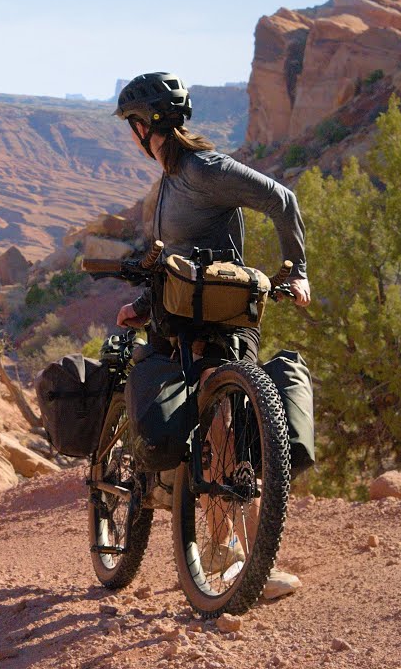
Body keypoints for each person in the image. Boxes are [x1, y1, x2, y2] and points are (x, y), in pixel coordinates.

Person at [113, 72, 310, 601]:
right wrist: (141, 304)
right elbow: (169, 262)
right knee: (175, 404)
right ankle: (166, 482)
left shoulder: (205, 169)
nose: (131, 133)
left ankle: (231, 556)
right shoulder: (169, 182)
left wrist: (297, 271)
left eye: (132, 122)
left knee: (225, 423)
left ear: (144, 124)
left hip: (221, 319)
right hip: (177, 316)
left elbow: (282, 200)